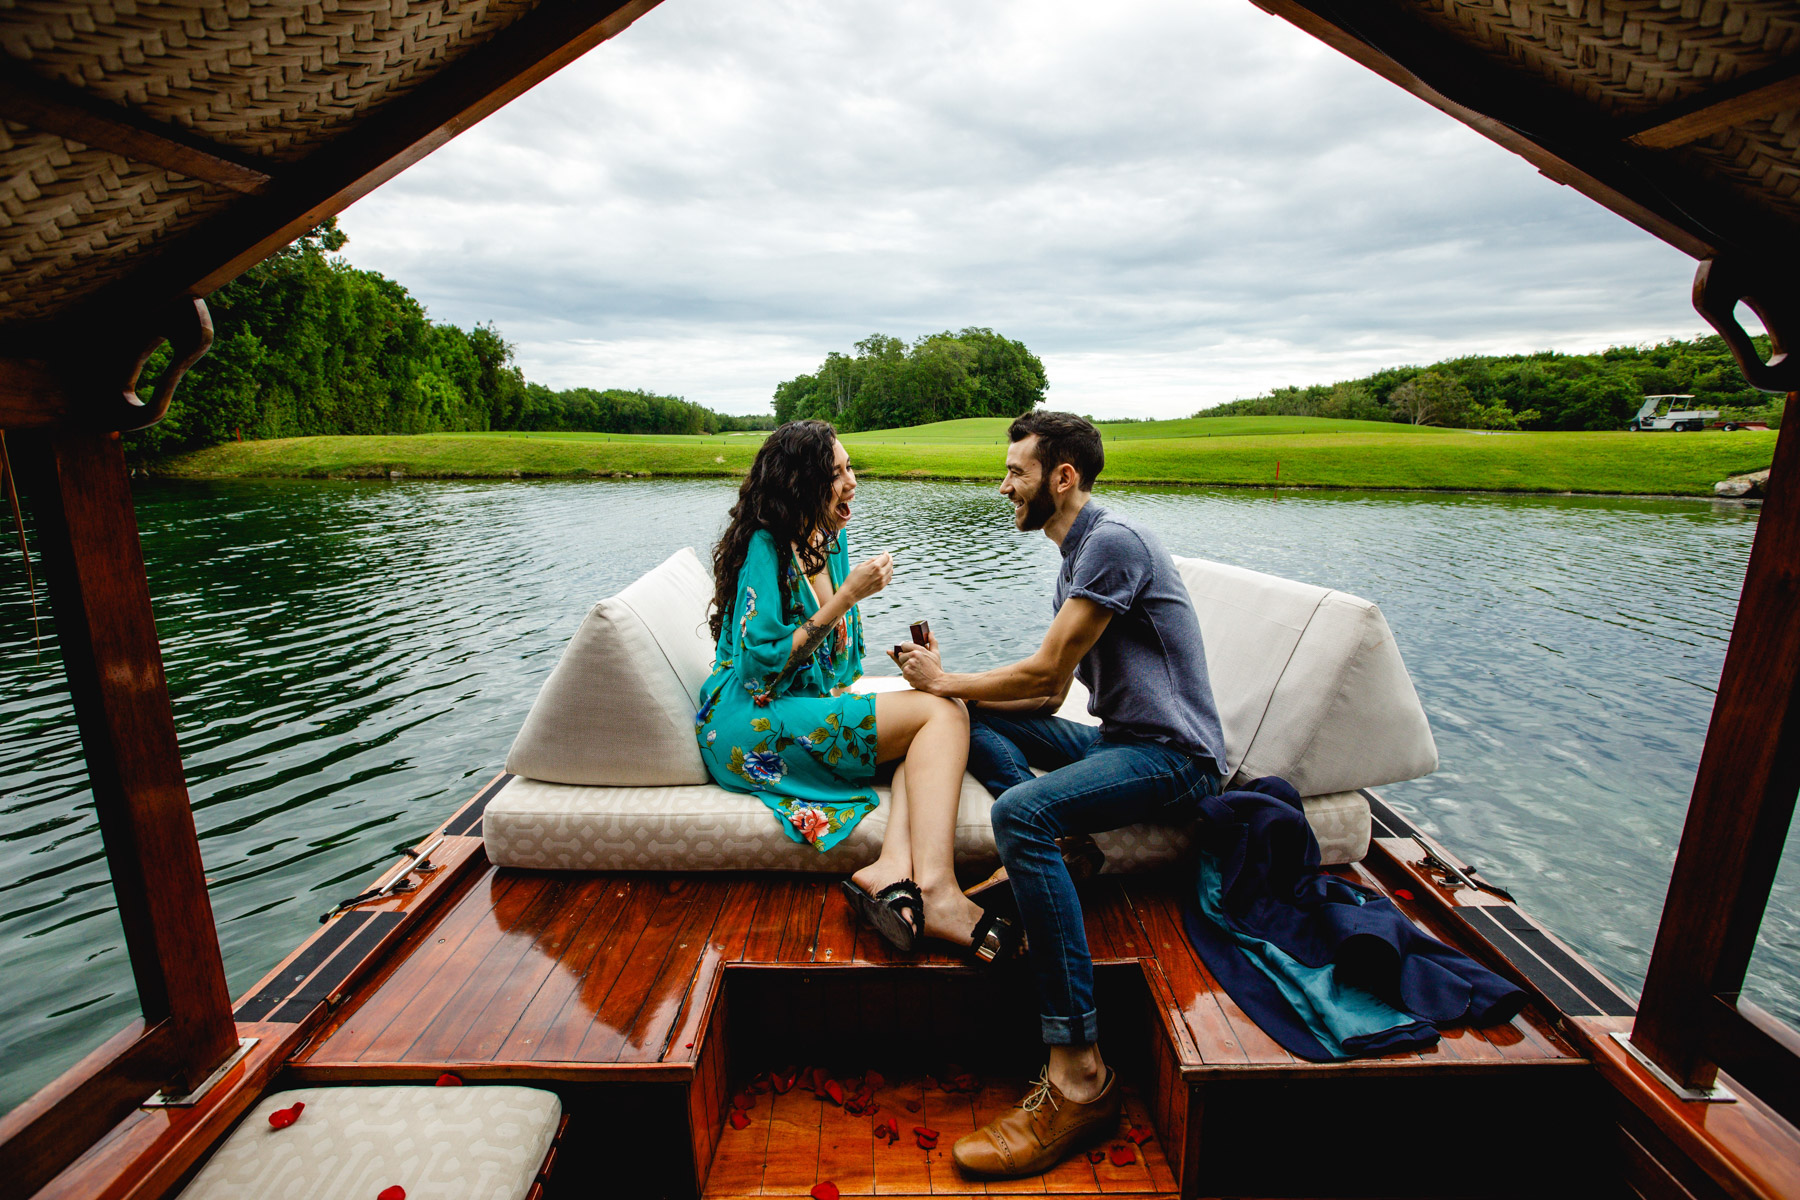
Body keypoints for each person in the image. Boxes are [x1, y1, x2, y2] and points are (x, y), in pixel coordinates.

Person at [896, 410, 1226, 1178]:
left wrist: (947, 679)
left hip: (1176, 759)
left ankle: (1080, 1075)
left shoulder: (1112, 544)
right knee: (963, 715)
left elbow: (1045, 678)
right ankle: (1061, 845)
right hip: (1120, 744)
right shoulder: (1077, 555)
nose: (1004, 485)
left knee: (1019, 811)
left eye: (1016, 471)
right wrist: (954, 693)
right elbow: (1047, 703)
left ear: (1062, 476)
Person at [696, 419, 1014, 958]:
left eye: (850, 468)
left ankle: (889, 869)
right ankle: (938, 891)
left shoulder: (828, 541)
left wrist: (915, 663)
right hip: (747, 720)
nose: (852, 482)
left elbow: (840, 664)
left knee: (936, 710)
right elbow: (760, 670)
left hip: (800, 704)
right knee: (942, 716)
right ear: (801, 483)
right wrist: (846, 597)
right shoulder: (764, 546)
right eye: (836, 473)